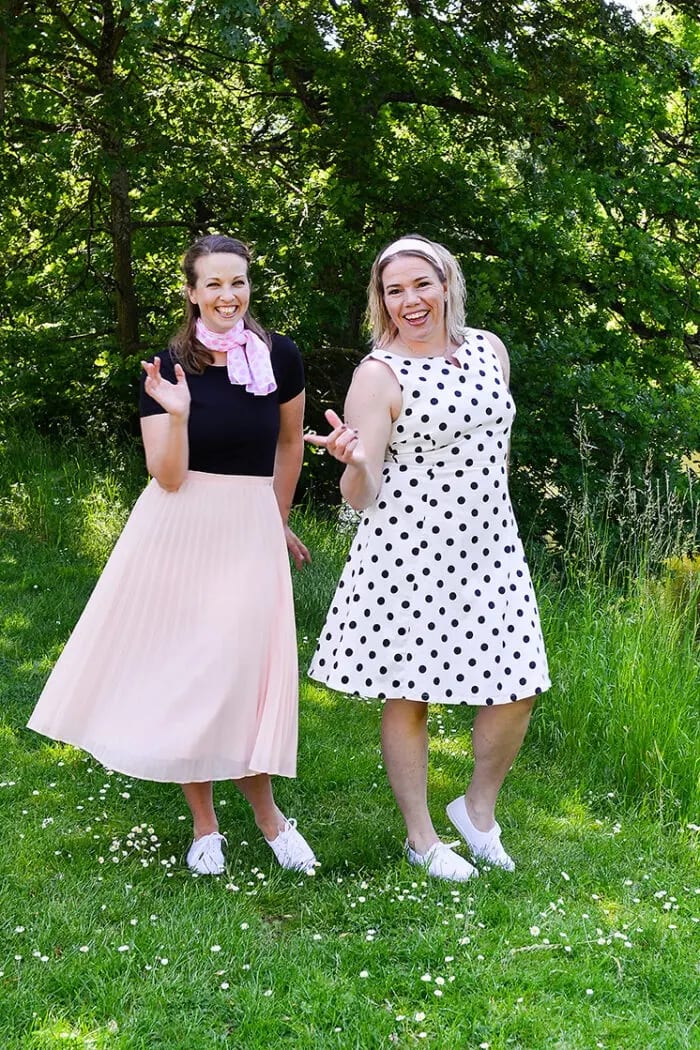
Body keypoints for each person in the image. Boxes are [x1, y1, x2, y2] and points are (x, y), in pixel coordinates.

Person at [28, 234, 317, 876]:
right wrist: (179, 415)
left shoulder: (281, 356)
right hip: (180, 527)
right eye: (213, 283)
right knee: (194, 671)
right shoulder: (168, 367)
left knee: (243, 671)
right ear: (191, 292)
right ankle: (205, 825)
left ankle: (270, 819)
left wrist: (276, 520)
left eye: (237, 281)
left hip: (248, 525)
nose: (227, 295)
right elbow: (167, 475)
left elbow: (289, 444)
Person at [306, 234, 550, 882]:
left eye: (421, 284)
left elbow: (494, 447)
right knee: (410, 693)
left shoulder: (490, 349)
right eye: (395, 290)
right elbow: (360, 495)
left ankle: (477, 811)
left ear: (446, 285)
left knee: (520, 683)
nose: (410, 300)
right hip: (409, 552)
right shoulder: (378, 374)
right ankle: (421, 838)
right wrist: (356, 463)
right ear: (381, 300)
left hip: (491, 546)